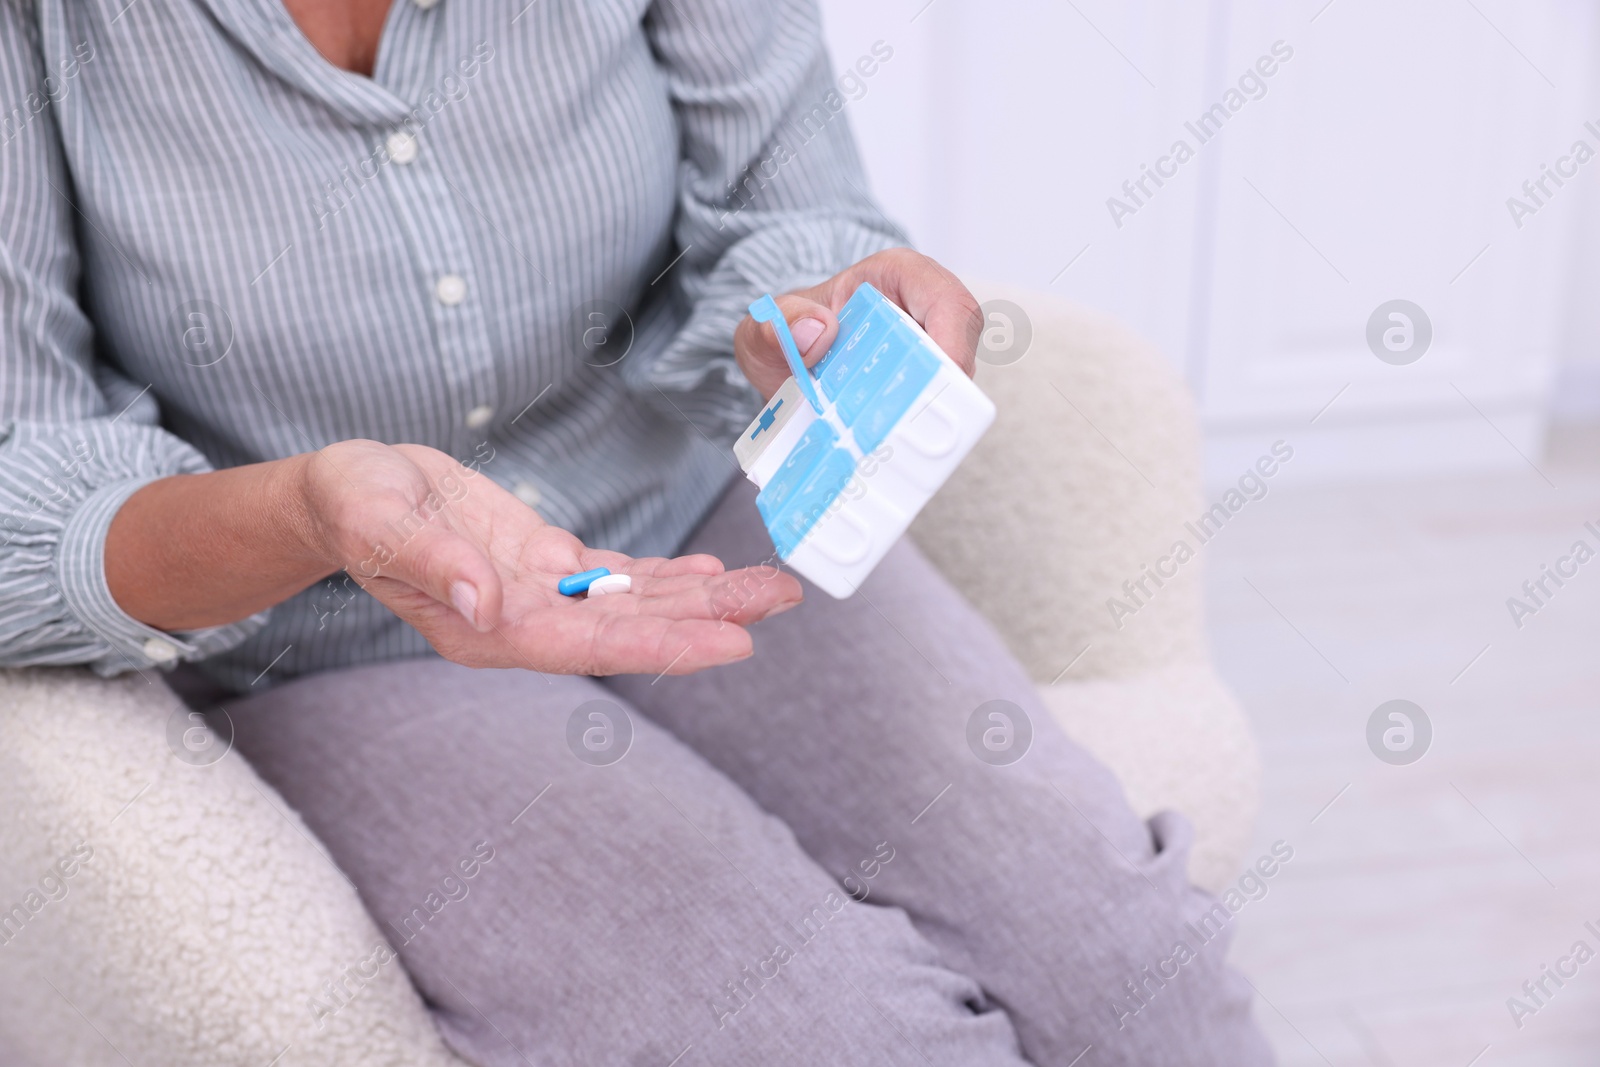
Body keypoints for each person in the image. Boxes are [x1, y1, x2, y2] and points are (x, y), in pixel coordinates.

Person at [0, 1, 1273, 1063]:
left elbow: (787, 202)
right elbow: (28, 497)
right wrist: (311, 510)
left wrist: (817, 307)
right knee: (827, 1030)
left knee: (1134, 972)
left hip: (705, 516)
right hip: (343, 629)